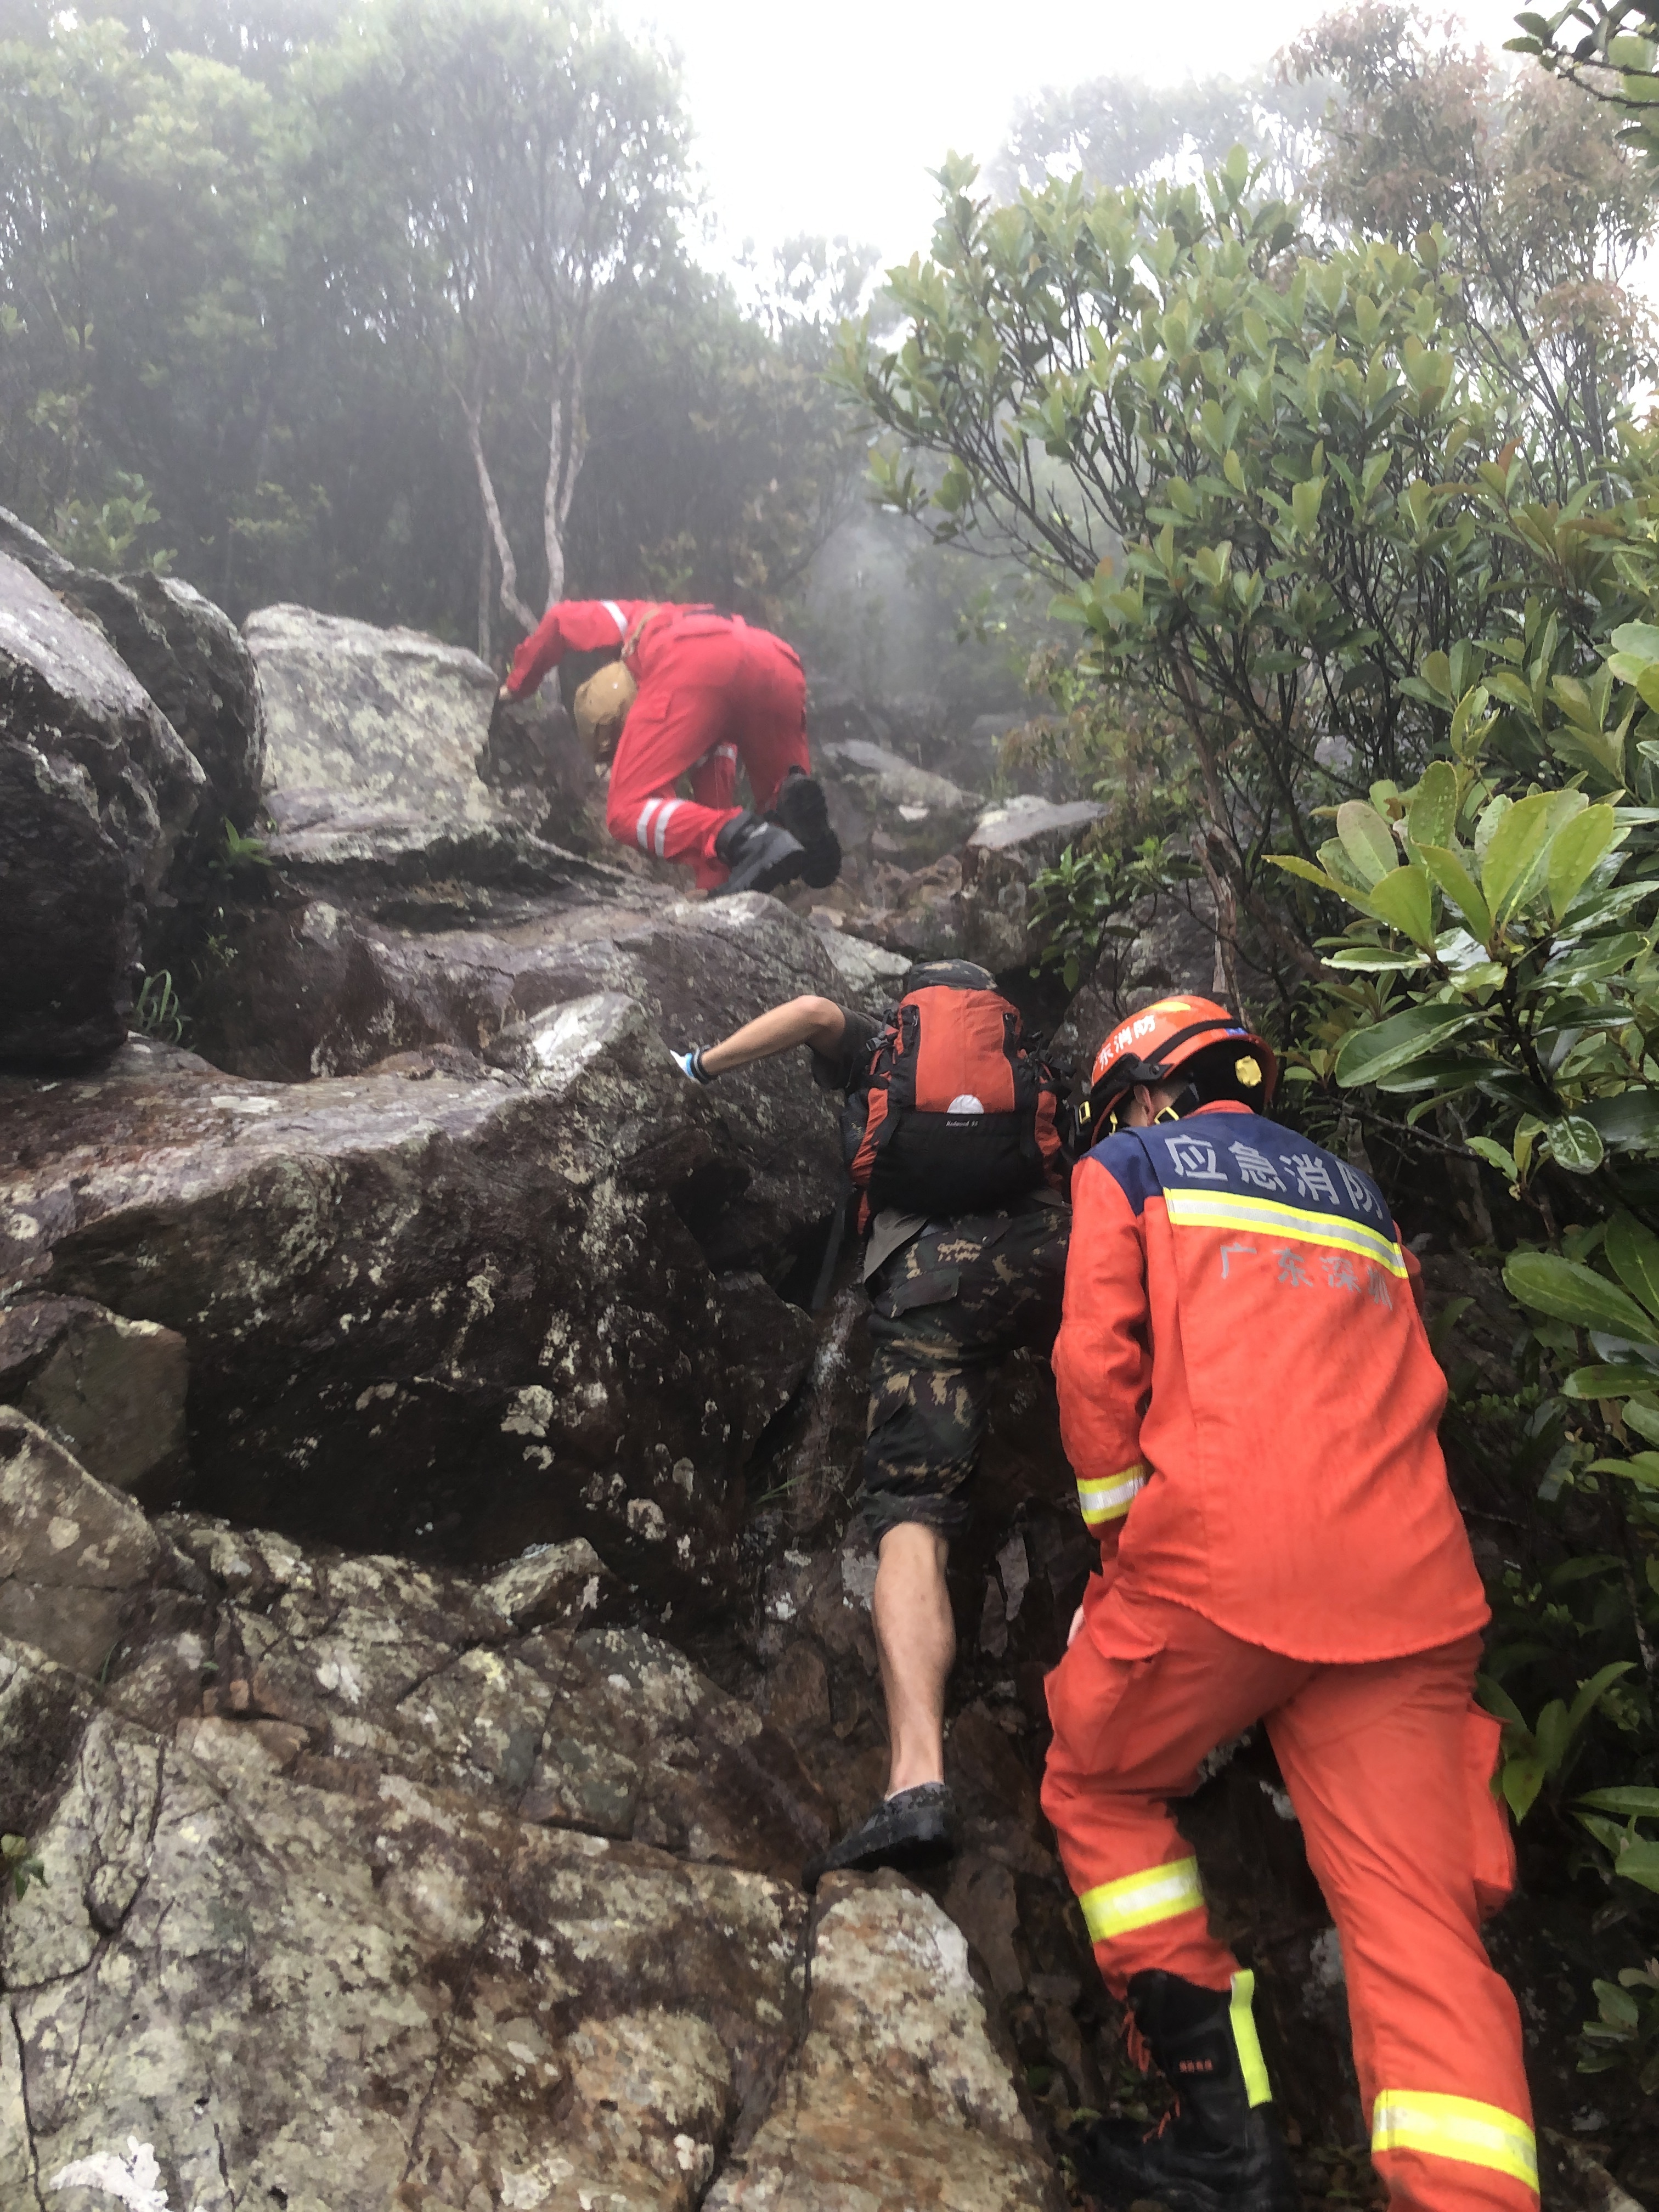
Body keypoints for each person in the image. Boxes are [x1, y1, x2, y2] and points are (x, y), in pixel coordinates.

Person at [1040, 994, 1533, 2212]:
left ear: (1143, 1090)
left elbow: (1095, 1371)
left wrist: (1120, 1555)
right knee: (1420, 1922)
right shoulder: (1363, 1201)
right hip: (1415, 1594)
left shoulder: (1133, 1166)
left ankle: (1221, 2133)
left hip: (1224, 1566)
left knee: (1096, 1784)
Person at [675, 960, 1070, 1880]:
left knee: (910, 1515)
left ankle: (915, 1783)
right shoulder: (1028, 1054)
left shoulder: (883, 1042)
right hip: (1053, 1253)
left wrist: (699, 1065)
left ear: (912, 1003)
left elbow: (811, 1011)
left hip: (934, 1278)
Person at [498, 597, 839, 898]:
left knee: (626, 809)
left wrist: (515, 687)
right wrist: (712, 889)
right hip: (777, 662)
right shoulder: (661, 619)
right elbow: (715, 801)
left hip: (696, 656)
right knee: (776, 815)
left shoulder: (637, 629)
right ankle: (796, 820)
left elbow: (559, 619)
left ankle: (753, 838)